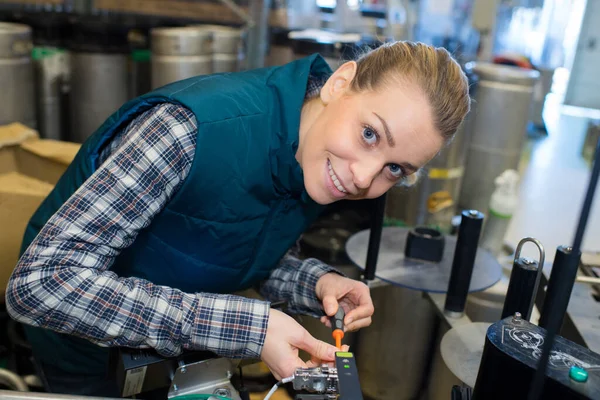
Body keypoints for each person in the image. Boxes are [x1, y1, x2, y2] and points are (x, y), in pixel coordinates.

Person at [6, 40, 470, 397]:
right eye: (370, 134)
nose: (364, 179)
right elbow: (41, 284)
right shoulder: (187, 130)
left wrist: (314, 283)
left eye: (396, 169)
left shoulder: (317, 155)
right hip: (86, 354)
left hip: (167, 355)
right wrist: (245, 327)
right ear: (339, 83)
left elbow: (235, 238)